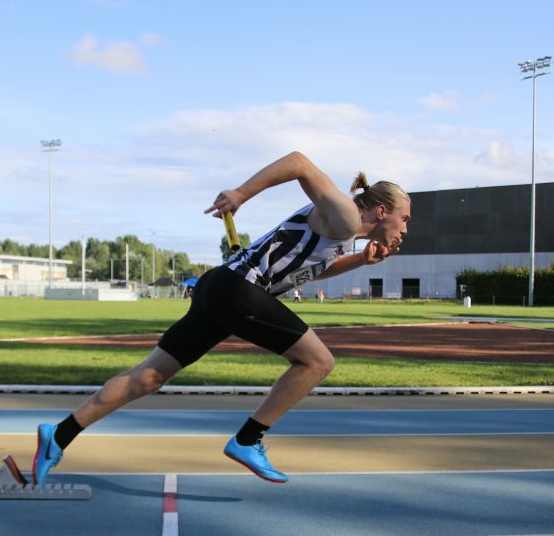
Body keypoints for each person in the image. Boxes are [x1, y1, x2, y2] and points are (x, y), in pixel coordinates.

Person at [33, 151, 411, 485]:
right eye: (404, 218)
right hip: (238, 289)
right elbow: (299, 162)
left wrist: (361, 260)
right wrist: (241, 193)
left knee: (149, 376)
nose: (405, 228)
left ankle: (59, 435)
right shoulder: (345, 216)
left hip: (221, 288)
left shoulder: (344, 237)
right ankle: (248, 439)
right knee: (317, 361)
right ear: (381, 212)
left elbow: (303, 272)